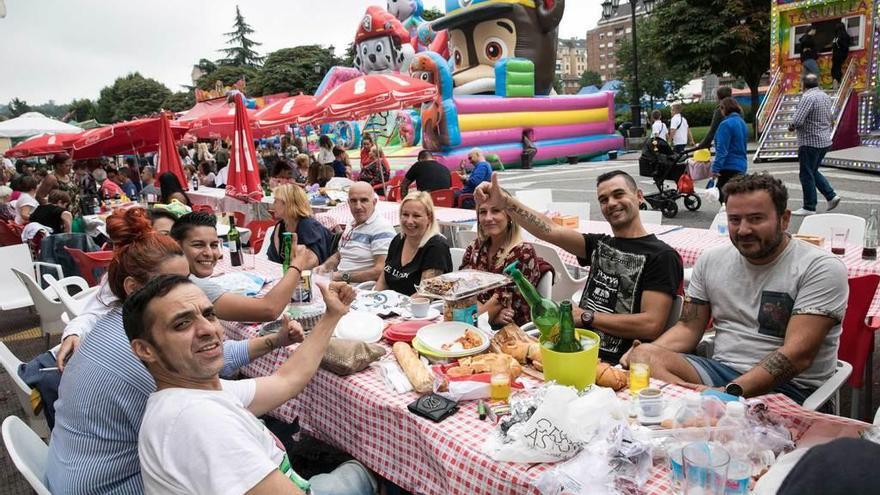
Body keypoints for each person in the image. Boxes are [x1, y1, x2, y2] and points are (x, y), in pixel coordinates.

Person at [46, 208, 303, 494]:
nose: (183, 290)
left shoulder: (116, 323)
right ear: (133, 287)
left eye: (186, 280)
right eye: (168, 284)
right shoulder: (140, 357)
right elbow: (217, 400)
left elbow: (219, 359)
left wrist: (271, 343)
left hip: (69, 471)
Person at [125, 275, 377, 495]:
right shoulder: (199, 421)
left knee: (359, 471)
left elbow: (286, 380)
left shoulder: (193, 393)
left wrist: (332, 315)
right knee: (370, 473)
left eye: (209, 314)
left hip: (293, 481)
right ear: (145, 350)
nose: (207, 330)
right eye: (182, 323)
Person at [622, 173, 848, 405]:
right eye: (735, 220)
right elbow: (688, 327)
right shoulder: (711, 260)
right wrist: (641, 354)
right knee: (643, 355)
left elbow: (797, 356)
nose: (743, 230)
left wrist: (728, 393)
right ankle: (701, 404)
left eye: (756, 219)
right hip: (721, 371)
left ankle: (701, 405)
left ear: (784, 219)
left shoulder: (820, 267)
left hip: (791, 387)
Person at [475, 171, 683, 363]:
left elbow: (651, 325)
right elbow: (549, 230)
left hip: (615, 363)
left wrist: (587, 316)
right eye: (603, 199)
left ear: (639, 196)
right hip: (570, 350)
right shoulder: (599, 245)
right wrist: (506, 202)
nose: (611, 203)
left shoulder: (661, 256)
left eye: (618, 194)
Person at [171, 211, 313, 321]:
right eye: (198, 245)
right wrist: (297, 265)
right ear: (176, 246)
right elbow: (269, 309)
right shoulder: (192, 286)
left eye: (214, 245)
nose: (209, 253)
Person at [460, 193, 548, 327]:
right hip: (480, 322)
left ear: (509, 215)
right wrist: (489, 318)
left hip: (514, 331)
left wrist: (479, 317)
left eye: (496, 210)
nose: (488, 218)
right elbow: (464, 289)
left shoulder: (523, 252)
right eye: (483, 212)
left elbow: (500, 300)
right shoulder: (475, 247)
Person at [314, 182, 396, 284]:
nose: (358, 206)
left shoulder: (381, 228)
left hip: (361, 290)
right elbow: (341, 254)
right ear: (348, 203)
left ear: (374, 202)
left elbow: (381, 271)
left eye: (364, 200)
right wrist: (325, 267)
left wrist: (341, 276)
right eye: (353, 201)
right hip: (339, 284)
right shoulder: (351, 224)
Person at [375, 191, 452, 295]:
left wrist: (396, 308)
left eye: (416, 216)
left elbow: (425, 293)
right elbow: (383, 282)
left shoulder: (437, 247)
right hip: (389, 305)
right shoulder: (398, 240)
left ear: (429, 218)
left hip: (419, 308)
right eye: (405, 214)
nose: (409, 221)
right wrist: (373, 300)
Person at [789, 73, 841, 216]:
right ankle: (831, 196)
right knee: (812, 170)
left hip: (809, 141)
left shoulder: (807, 97)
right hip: (824, 140)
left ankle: (809, 206)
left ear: (803, 84)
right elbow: (831, 117)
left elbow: (798, 120)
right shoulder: (824, 96)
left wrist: (791, 126)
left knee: (806, 174)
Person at [267, 184, 332, 269]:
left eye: (276, 201)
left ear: (287, 204)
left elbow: (312, 263)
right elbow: (273, 259)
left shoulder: (308, 226)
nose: (273, 205)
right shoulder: (280, 226)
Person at [712, 97, 750, 204]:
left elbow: (722, 149)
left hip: (728, 165)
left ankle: (730, 217)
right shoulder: (742, 123)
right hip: (741, 164)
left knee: (723, 195)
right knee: (735, 195)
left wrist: (716, 168)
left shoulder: (726, 124)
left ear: (724, 109)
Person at [830, 22, 852, 89]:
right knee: (835, 68)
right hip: (837, 54)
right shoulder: (837, 37)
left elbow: (845, 45)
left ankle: (836, 83)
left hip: (840, 54)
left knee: (836, 68)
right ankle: (836, 82)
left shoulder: (843, 36)